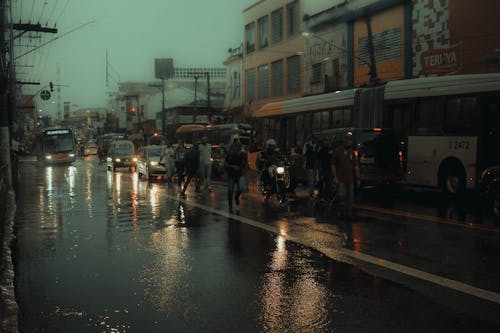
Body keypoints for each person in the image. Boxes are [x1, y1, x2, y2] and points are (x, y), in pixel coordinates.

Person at [332, 132, 360, 220]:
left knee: (350, 197)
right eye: (347, 140)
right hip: (341, 178)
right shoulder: (337, 151)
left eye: (350, 140)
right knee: (341, 195)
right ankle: (337, 207)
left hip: (350, 179)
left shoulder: (352, 153)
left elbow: (355, 166)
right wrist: (335, 177)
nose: (349, 142)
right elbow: (333, 164)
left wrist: (358, 178)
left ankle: (348, 214)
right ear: (344, 141)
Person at [224, 141, 247, 211]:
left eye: (238, 147)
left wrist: (244, 170)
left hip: (240, 174)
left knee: (241, 188)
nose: (237, 149)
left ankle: (236, 197)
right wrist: (233, 166)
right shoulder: (230, 155)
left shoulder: (243, 154)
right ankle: (230, 205)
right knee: (230, 190)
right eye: (235, 147)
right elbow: (225, 164)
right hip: (231, 174)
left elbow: (245, 163)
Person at [315, 137, 335, 205]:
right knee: (322, 183)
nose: (327, 142)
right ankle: (322, 196)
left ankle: (328, 197)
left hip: (330, 169)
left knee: (329, 184)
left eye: (328, 141)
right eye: (326, 141)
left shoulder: (332, 150)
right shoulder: (321, 150)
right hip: (323, 169)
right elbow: (318, 160)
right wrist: (318, 169)